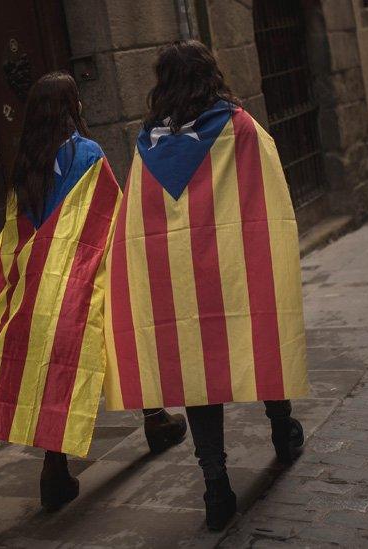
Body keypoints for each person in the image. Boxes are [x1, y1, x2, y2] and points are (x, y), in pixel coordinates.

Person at [0, 72, 186, 511]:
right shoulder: (88, 152)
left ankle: (56, 469)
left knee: (54, 370)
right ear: (70, 107)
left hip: (37, 284)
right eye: (77, 100)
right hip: (82, 275)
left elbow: (20, 227)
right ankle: (155, 420)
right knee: (118, 337)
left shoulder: (26, 160)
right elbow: (109, 215)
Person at [103, 40, 310, 531]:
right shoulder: (238, 126)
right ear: (209, 74)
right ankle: (282, 431)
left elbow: (138, 219)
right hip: (233, 267)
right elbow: (269, 200)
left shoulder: (146, 141)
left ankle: (215, 481)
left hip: (176, 280)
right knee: (258, 340)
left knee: (196, 370)